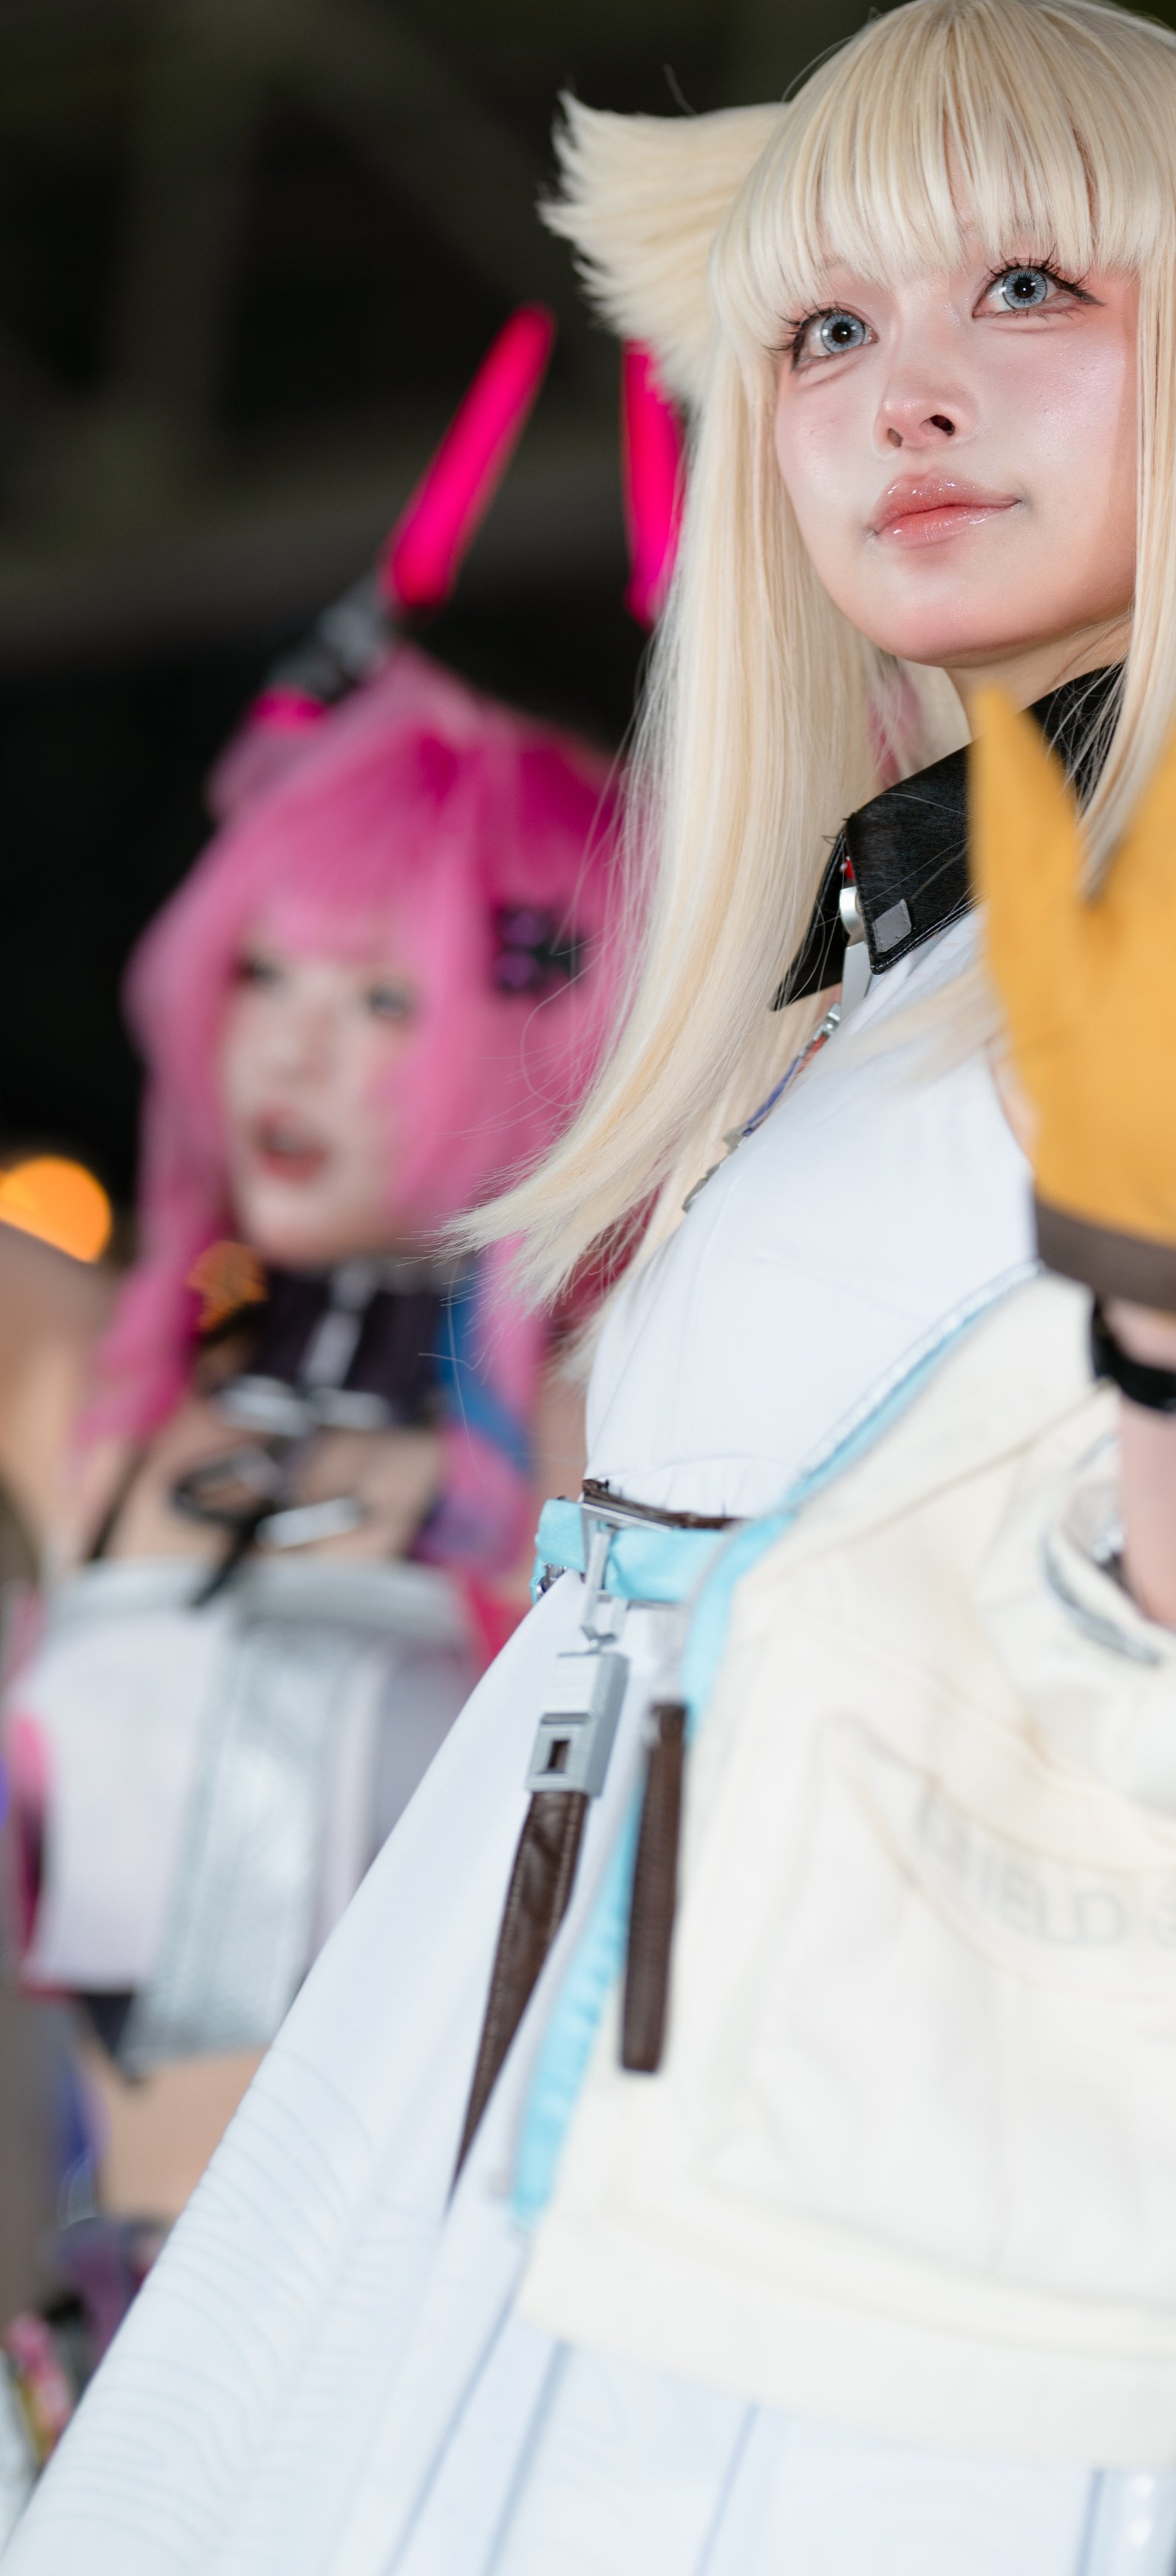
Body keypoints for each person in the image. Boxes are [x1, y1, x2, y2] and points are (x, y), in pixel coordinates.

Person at [9, 0, 1176, 2576]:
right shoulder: (874, 970)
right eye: (824, 333)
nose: (906, 396)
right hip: (643, 2145)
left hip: (995, 2237)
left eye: (1027, 288)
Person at [0, 376, 624, 2509]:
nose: (294, 1053)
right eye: (268, 971)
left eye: (387, 998)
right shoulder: (89, 1396)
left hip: (420, 2380)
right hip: (91, 2361)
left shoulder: (587, 1433)